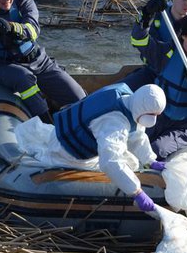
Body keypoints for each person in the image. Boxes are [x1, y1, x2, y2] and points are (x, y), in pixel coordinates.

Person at [15, 83, 167, 212]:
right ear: (141, 108)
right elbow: (110, 162)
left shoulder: (126, 97)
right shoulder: (114, 122)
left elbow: (137, 134)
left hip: (61, 134)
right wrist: (137, 192)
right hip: (69, 154)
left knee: (133, 162)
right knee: (130, 165)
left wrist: (150, 160)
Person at [131, 10, 187, 160]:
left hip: (186, 125)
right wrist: (145, 17)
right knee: (132, 143)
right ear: (184, 36)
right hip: (158, 116)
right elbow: (139, 41)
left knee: (155, 150)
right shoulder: (168, 53)